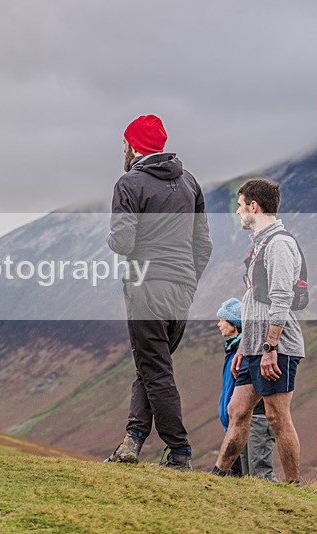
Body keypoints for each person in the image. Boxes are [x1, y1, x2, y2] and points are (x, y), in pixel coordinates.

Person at [105, 114, 212, 469]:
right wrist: (188, 281)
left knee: (156, 370)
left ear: (134, 146)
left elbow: (123, 242)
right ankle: (132, 440)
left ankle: (180, 451)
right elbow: (203, 245)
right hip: (181, 289)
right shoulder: (190, 182)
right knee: (151, 365)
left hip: (146, 287)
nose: (123, 150)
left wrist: (110, 236)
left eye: (125, 143)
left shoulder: (129, 183)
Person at [212, 179, 304, 485]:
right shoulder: (261, 244)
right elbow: (254, 300)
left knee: (277, 417)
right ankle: (218, 477)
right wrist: (244, 347)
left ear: (254, 206)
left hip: (277, 347)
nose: (238, 212)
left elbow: (282, 298)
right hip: (254, 347)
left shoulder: (279, 244)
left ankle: (293, 486)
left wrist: (270, 348)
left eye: (240, 206)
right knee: (237, 410)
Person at [215, 297, 276, 481]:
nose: (219, 324)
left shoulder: (246, 353)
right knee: (244, 476)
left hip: (254, 418)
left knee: (258, 473)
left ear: (235, 324)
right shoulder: (232, 352)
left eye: (222, 320)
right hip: (237, 421)